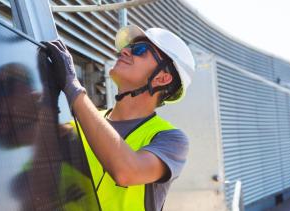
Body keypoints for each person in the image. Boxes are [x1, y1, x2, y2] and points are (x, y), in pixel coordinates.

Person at [40, 25, 196, 211]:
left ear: (162, 78)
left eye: (140, 50)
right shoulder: (77, 126)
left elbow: (126, 172)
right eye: (128, 47)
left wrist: (73, 88)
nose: (125, 51)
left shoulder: (170, 139)